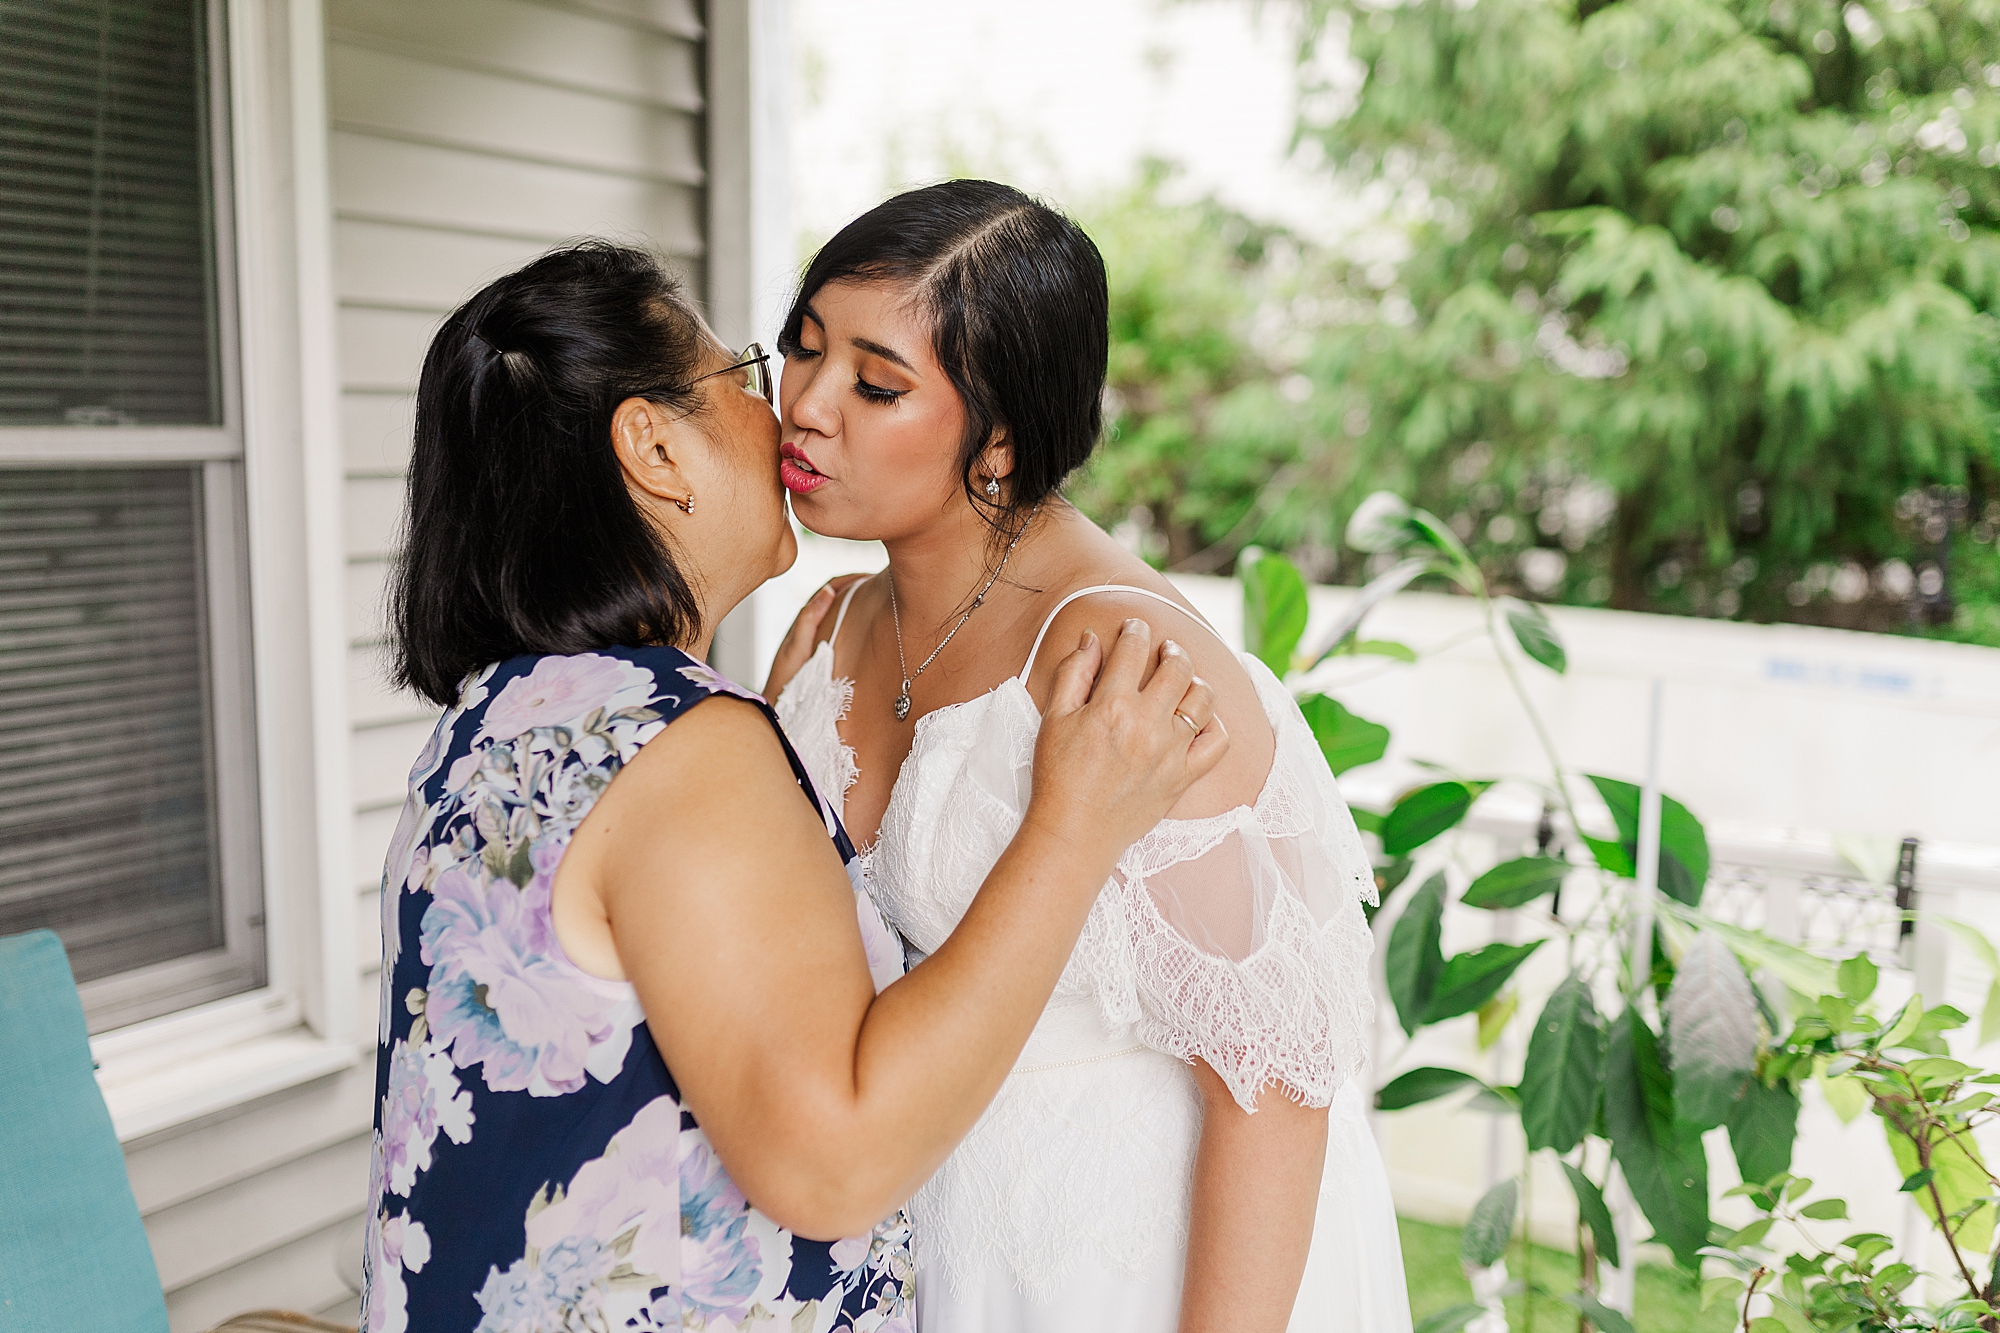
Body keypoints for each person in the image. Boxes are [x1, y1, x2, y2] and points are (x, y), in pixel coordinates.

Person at [361, 240, 1226, 1333]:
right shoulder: (681, 749)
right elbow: (833, 1166)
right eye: (755, 377)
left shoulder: (502, 716)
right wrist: (1070, 826)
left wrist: (769, 775)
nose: (794, 415)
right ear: (653, 448)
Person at [763, 182, 1412, 1333]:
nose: (805, 407)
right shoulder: (836, 623)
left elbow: (1275, 1076)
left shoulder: (1132, 662)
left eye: (874, 384)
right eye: (799, 349)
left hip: (1121, 1265)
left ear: (1001, 435)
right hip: (919, 1239)